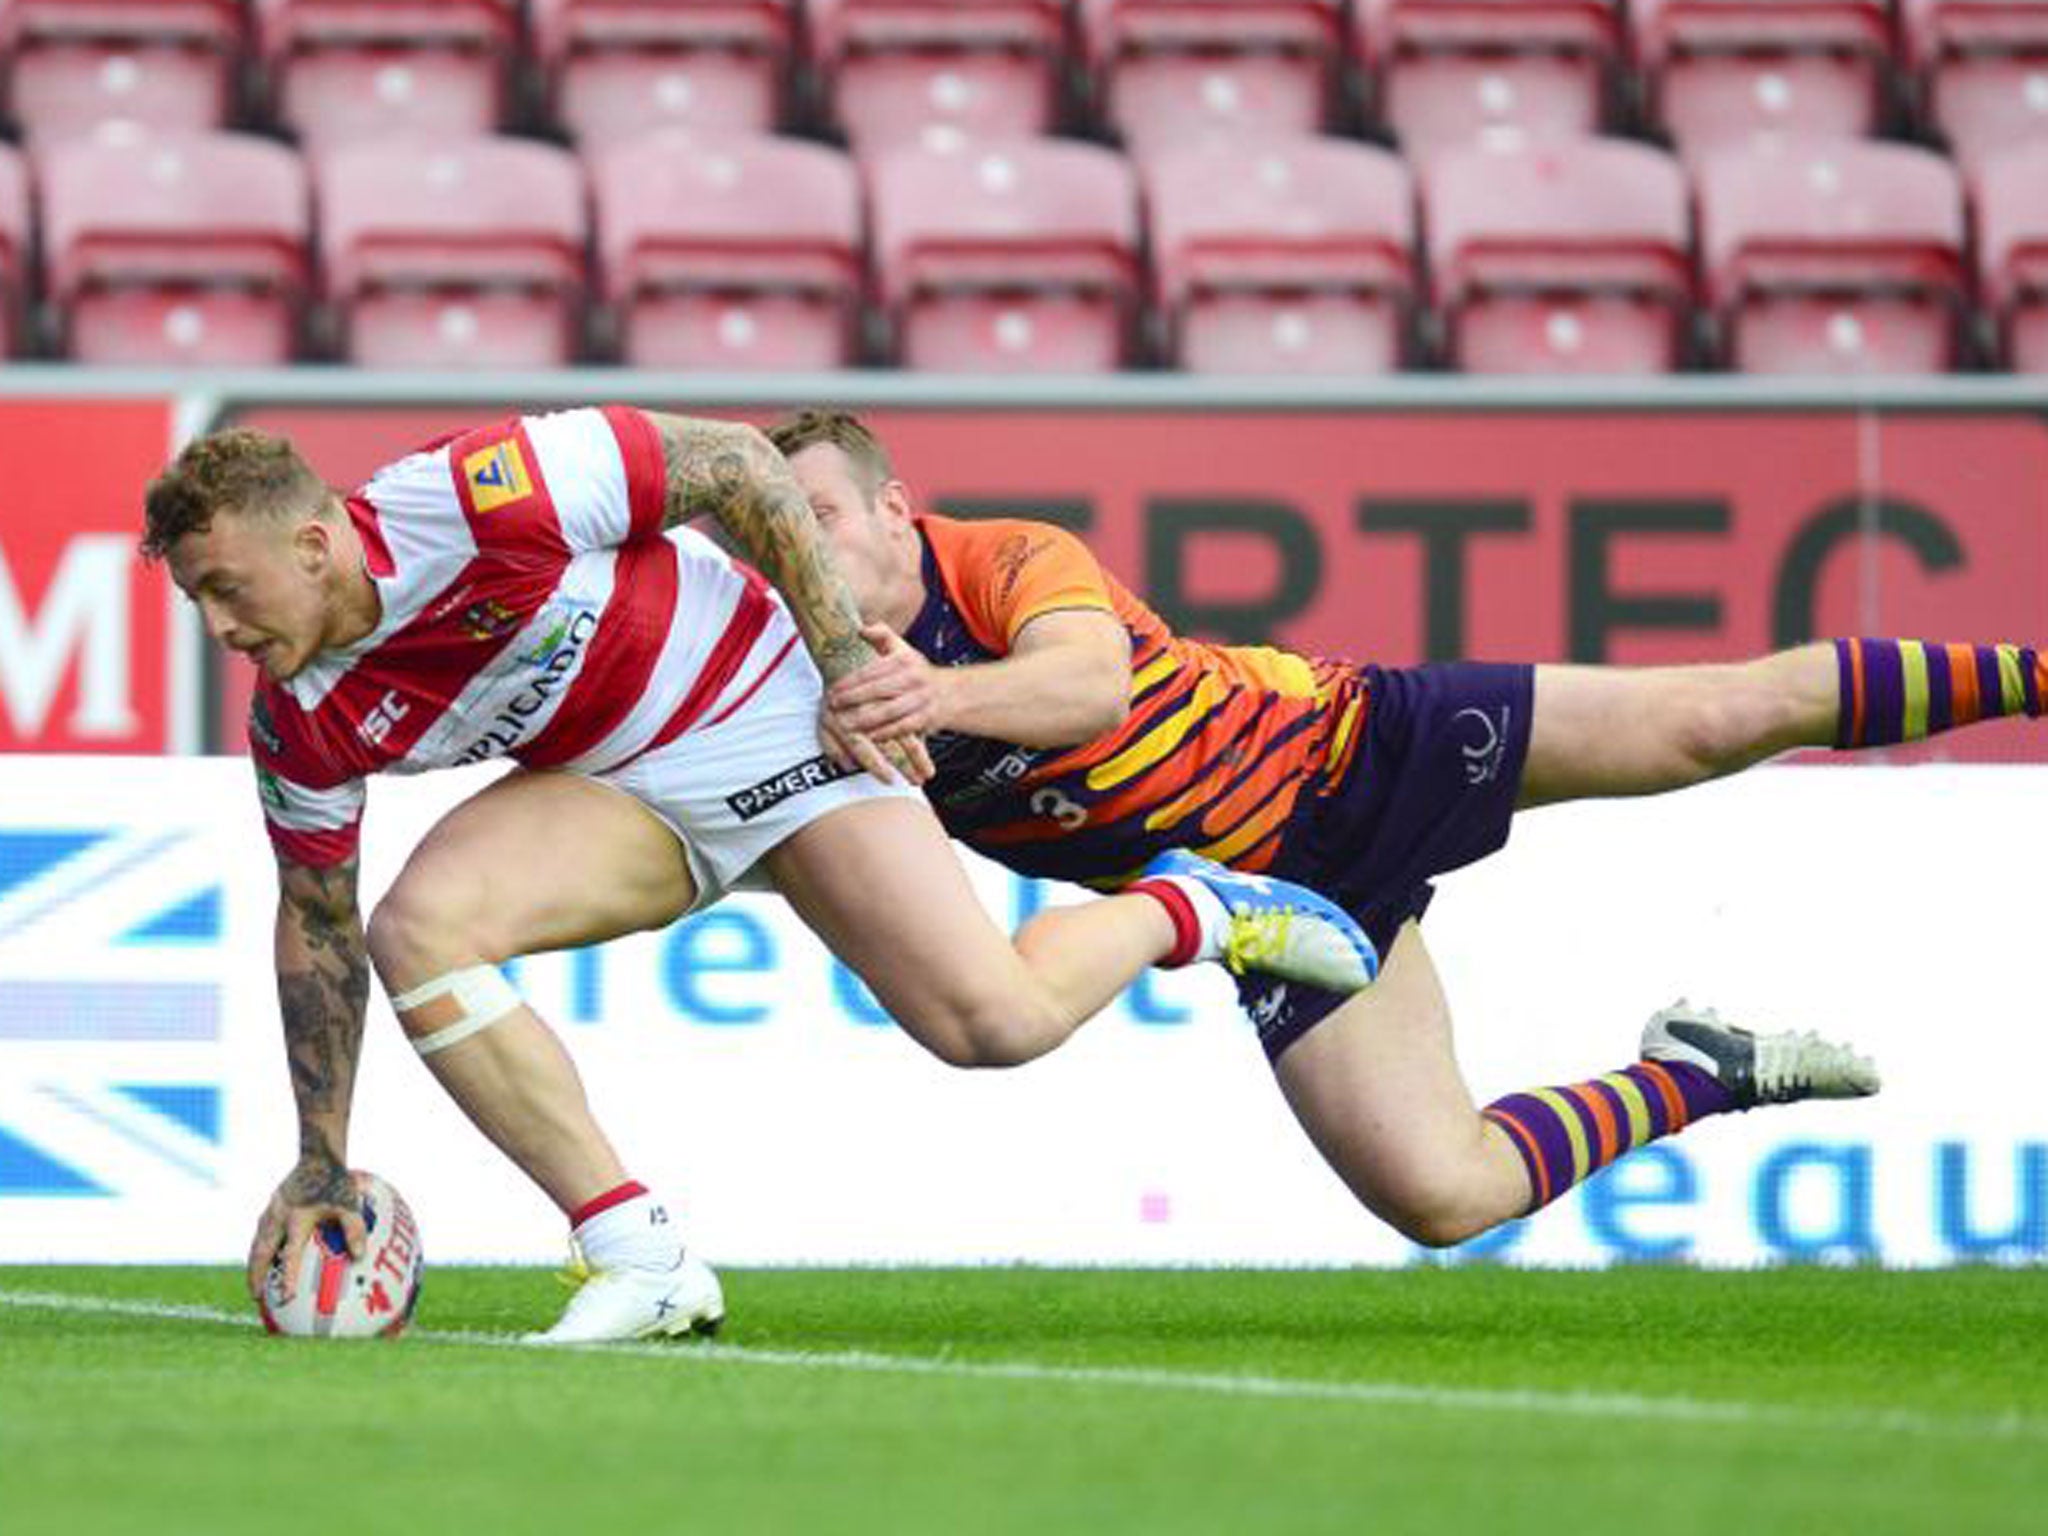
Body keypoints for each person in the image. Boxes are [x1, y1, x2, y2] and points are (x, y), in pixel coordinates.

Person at [139, 406, 1379, 1342]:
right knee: (418, 930)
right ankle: (641, 1256)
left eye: (224, 589)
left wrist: (842, 660)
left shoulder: (473, 494)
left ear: (311, 545)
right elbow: (315, 928)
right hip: (621, 788)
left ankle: (1197, 908)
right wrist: (319, 1160)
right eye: (197, 598)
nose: (218, 626)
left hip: (777, 708)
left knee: (990, 1022)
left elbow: (735, 460)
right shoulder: (300, 718)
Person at [776, 408, 2046, 1251]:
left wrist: (932, 699)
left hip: (1355, 745)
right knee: (1443, 1197)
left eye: (819, 518)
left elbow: (1086, 687)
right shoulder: (799, 689)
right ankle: (1701, 1071)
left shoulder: (999, 555)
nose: (803, 555)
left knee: (1715, 716)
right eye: (773, 535)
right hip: (1278, 911)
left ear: (895, 512)